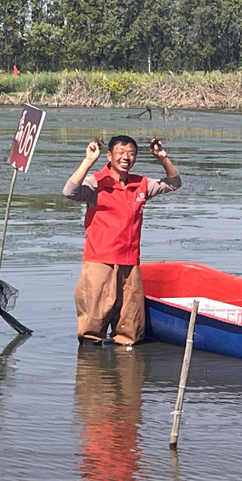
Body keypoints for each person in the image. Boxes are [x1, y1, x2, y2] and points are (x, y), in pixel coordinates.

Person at [63, 135, 182, 345]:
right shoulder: (96, 182)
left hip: (130, 263)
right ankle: (91, 363)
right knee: (92, 329)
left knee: (130, 330)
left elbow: (174, 183)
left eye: (131, 153)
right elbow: (70, 191)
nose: (126, 157)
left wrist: (162, 158)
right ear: (109, 155)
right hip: (100, 262)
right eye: (120, 153)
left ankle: (126, 363)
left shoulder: (141, 184)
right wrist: (88, 161)